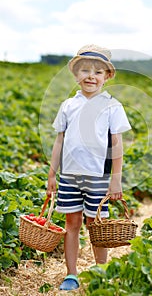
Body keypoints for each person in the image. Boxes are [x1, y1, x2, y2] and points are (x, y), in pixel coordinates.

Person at [46, 44, 131, 291]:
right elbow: (59, 140)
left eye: (98, 72)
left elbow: (116, 144)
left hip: (97, 176)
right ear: (76, 75)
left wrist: (116, 179)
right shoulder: (68, 105)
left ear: (107, 76)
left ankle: (101, 271)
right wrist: (52, 173)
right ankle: (71, 273)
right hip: (69, 176)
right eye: (85, 70)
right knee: (71, 224)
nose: (91, 76)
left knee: (97, 225)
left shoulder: (112, 106)